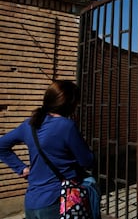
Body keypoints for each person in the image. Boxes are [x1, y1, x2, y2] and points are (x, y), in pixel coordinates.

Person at [0, 80, 94, 219]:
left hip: (32, 202)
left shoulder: (29, 124)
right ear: (70, 103)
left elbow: (2, 145)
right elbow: (87, 161)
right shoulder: (67, 126)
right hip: (57, 201)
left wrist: (22, 169)